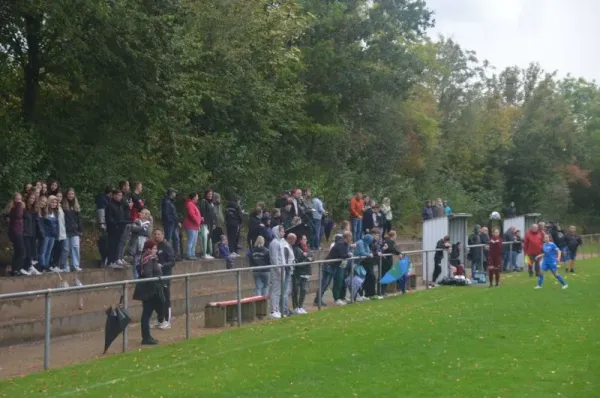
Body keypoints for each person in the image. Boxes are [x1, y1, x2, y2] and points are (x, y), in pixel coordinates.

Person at [133, 240, 164, 345]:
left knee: (148, 313)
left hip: (150, 289)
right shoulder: (149, 259)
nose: (156, 250)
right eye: (154, 248)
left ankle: (147, 336)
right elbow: (148, 275)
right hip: (150, 290)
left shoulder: (148, 259)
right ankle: (146, 337)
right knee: (147, 313)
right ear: (149, 249)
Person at [153, 229, 175, 330]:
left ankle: (167, 320)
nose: (157, 236)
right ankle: (160, 319)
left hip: (165, 276)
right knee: (158, 299)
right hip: (157, 277)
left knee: (166, 298)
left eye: (159, 234)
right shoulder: (155, 246)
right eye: (155, 234)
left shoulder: (167, 246)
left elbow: (172, 261)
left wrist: (162, 266)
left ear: (163, 235)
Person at [4, 193, 27, 275]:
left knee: (18, 251)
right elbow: (17, 216)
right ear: (14, 199)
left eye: (20, 199)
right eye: (17, 199)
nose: (19, 201)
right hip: (15, 232)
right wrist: (19, 204)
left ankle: (14, 269)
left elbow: (23, 217)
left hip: (19, 231)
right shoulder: (14, 208)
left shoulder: (19, 208)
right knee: (21, 251)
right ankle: (16, 269)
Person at [61, 189, 83, 272]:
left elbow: (79, 219)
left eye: (72, 194)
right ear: (66, 195)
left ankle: (75, 265)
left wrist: (80, 229)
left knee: (75, 247)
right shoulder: (63, 205)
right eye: (69, 194)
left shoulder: (76, 206)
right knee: (66, 249)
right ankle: (65, 265)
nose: (71, 195)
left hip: (75, 231)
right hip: (66, 230)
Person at [292, 234, 312, 314]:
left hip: (306, 272)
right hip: (298, 273)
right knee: (296, 290)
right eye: (304, 239)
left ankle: (300, 306)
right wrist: (306, 259)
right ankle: (295, 307)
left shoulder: (307, 248)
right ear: (300, 240)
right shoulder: (296, 249)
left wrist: (309, 258)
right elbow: (297, 261)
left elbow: (312, 256)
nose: (305, 241)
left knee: (303, 289)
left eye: (306, 239)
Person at [106, 189, 127, 267]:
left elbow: (122, 216)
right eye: (118, 195)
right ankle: (110, 261)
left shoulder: (120, 205)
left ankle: (115, 260)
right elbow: (109, 218)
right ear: (114, 195)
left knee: (117, 244)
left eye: (121, 196)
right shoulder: (110, 205)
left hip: (120, 228)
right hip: (113, 228)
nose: (120, 197)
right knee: (112, 244)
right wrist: (116, 224)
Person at [268, 225, 285, 319]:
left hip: (281, 269)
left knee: (278, 291)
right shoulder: (274, 243)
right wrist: (279, 270)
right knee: (275, 290)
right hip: (276, 270)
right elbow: (274, 258)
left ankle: (277, 309)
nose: (283, 233)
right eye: (282, 231)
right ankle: (273, 310)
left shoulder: (280, 242)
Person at [161, 188, 180, 257]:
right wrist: (172, 221)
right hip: (169, 223)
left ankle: (175, 254)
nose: (175, 194)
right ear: (171, 193)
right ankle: (167, 254)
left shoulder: (170, 201)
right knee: (168, 238)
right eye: (174, 193)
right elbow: (167, 214)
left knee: (176, 239)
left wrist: (176, 221)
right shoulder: (167, 202)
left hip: (173, 223)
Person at [281, 233, 297, 316]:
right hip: (287, 272)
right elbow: (285, 261)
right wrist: (288, 271)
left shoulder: (288, 246)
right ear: (290, 239)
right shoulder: (286, 247)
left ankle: (286, 308)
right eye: (294, 240)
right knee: (285, 292)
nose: (295, 242)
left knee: (286, 291)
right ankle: (285, 309)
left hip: (289, 271)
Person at [380, 230, 400, 296]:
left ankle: (383, 291)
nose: (396, 236)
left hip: (386, 261)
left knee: (385, 276)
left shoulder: (387, 241)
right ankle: (381, 292)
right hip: (386, 261)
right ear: (393, 236)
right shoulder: (389, 242)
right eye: (396, 235)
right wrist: (399, 253)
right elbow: (392, 249)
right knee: (384, 276)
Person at [183, 192, 202, 260]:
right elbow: (192, 215)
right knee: (191, 240)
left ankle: (192, 253)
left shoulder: (193, 204)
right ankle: (189, 254)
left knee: (194, 241)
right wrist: (197, 221)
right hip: (191, 225)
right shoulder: (190, 204)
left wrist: (199, 220)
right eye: (197, 196)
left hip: (195, 225)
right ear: (194, 197)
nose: (198, 198)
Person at [199, 190, 216, 259]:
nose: (210, 195)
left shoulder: (211, 203)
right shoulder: (204, 201)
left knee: (209, 237)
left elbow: (213, 214)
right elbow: (202, 210)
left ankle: (208, 253)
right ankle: (204, 253)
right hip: (205, 222)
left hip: (211, 222)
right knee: (205, 238)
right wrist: (202, 221)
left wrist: (214, 222)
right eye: (209, 194)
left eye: (211, 194)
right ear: (206, 194)